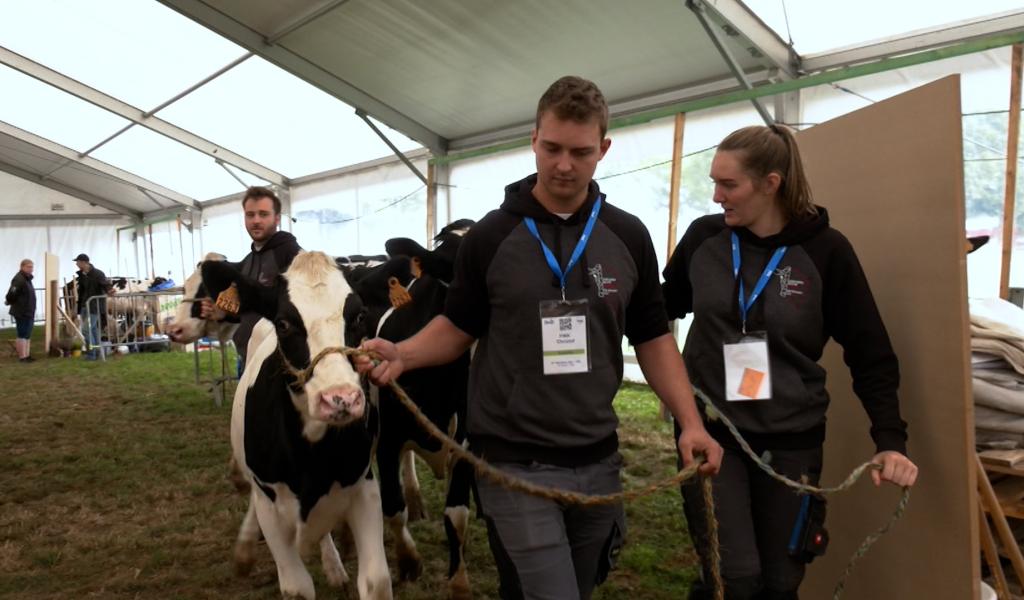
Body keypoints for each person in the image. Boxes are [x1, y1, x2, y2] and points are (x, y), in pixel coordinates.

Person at [357, 75, 723, 600]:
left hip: (598, 458)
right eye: (551, 148)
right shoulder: (490, 236)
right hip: (513, 462)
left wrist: (691, 424)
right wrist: (403, 353)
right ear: (533, 139)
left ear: (604, 148)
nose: (564, 165)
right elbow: (458, 327)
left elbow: (652, 338)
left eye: (581, 151)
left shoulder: (628, 235)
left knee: (577, 586)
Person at [661, 124, 919, 600]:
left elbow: (871, 353)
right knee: (732, 578)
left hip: (793, 440)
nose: (716, 196)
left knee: (781, 583)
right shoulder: (703, 240)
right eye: (714, 182)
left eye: (728, 184)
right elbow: (657, 315)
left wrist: (890, 439)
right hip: (715, 432)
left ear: (771, 183)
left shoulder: (826, 252)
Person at [199, 186, 300, 367]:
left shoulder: (290, 253)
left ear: (276, 218)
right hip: (247, 358)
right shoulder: (248, 261)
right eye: (250, 215)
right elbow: (247, 311)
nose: (256, 221)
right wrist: (222, 312)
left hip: (278, 363)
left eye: (263, 214)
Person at [73, 253, 113, 360]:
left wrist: (110, 289)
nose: (76, 264)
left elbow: (105, 284)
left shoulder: (98, 273)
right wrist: (79, 308)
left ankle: (91, 353)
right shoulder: (82, 275)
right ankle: (98, 352)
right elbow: (81, 292)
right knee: (93, 330)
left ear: (84, 262)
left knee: (86, 330)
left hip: (94, 307)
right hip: (84, 306)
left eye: (78, 262)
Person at [5, 259, 37, 362]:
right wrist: (10, 301)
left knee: (27, 334)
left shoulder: (27, 278)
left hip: (28, 311)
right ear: (22, 267)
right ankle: (22, 357)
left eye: (32, 267)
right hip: (21, 311)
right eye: (28, 267)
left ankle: (27, 355)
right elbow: (12, 293)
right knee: (22, 334)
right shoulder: (19, 279)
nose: (31, 269)